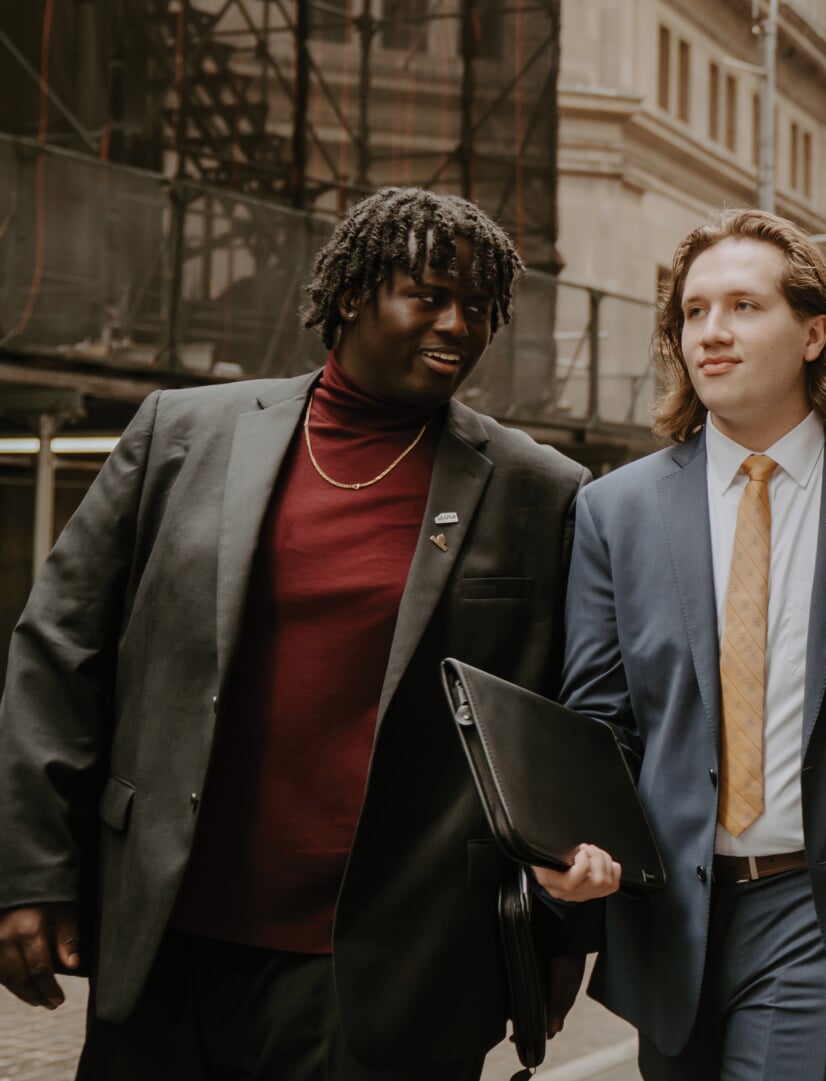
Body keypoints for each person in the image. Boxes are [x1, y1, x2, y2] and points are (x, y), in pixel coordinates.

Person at [0, 187, 593, 1078]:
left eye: (479, 307)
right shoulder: (180, 434)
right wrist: (31, 871)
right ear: (351, 295)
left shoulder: (539, 489)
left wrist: (555, 933)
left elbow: (560, 727)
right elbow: (58, 651)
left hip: (388, 973)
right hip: (167, 940)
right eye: (428, 295)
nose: (457, 325)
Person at [554, 210, 826, 1080]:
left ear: (813, 333)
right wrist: (570, 843)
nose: (711, 331)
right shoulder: (616, 510)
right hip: (670, 916)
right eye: (694, 311)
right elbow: (598, 720)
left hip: (824, 909)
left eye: (743, 306)